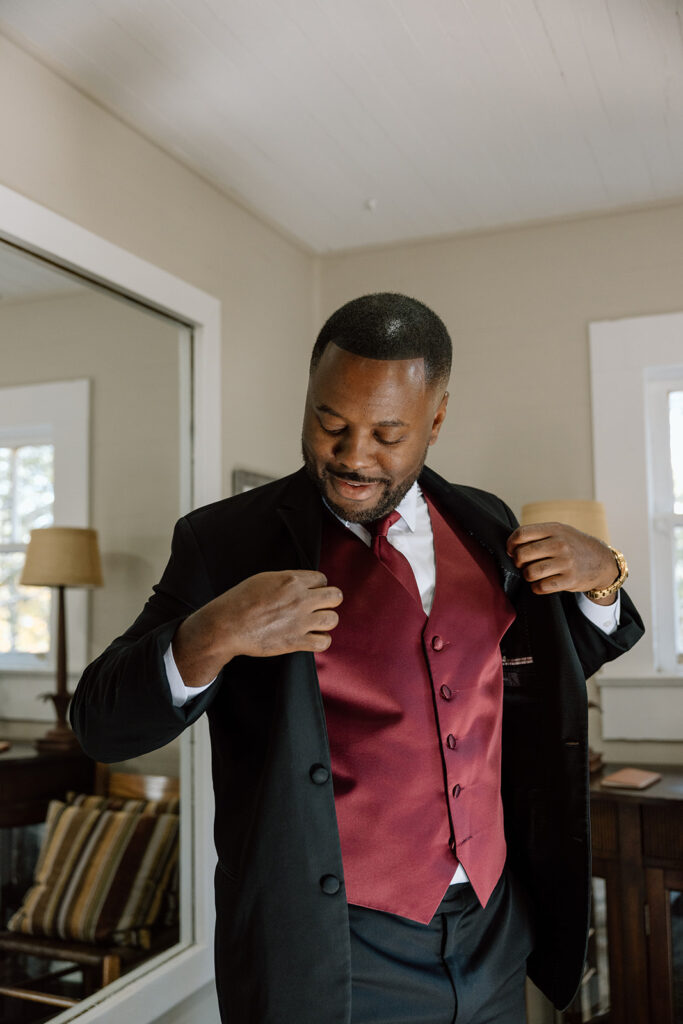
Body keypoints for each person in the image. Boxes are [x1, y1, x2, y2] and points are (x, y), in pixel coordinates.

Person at [71, 293, 643, 1024]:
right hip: (336, 950)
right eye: (329, 423)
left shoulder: (485, 522)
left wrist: (603, 575)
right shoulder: (224, 542)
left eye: (386, 433)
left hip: (493, 929)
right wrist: (210, 633)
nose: (352, 455)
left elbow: (545, 676)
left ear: (435, 420)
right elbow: (100, 725)